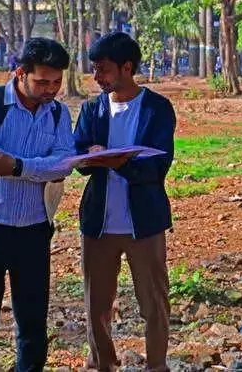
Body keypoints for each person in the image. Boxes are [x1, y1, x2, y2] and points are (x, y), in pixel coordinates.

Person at [73, 32, 176, 372]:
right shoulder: (91, 109)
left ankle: (157, 365)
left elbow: (157, 166)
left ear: (126, 67)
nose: (97, 77)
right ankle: (103, 364)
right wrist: (89, 156)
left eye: (103, 69)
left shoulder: (157, 109)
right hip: (98, 224)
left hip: (143, 224)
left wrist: (119, 162)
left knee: (154, 304)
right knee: (96, 305)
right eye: (94, 70)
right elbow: (79, 158)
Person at [0, 38, 75, 372]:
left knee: (32, 322)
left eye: (56, 82)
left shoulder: (59, 113)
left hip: (33, 229)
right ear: (20, 73)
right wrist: (38, 167)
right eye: (42, 81)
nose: (51, 89)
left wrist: (17, 166)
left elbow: (63, 165)